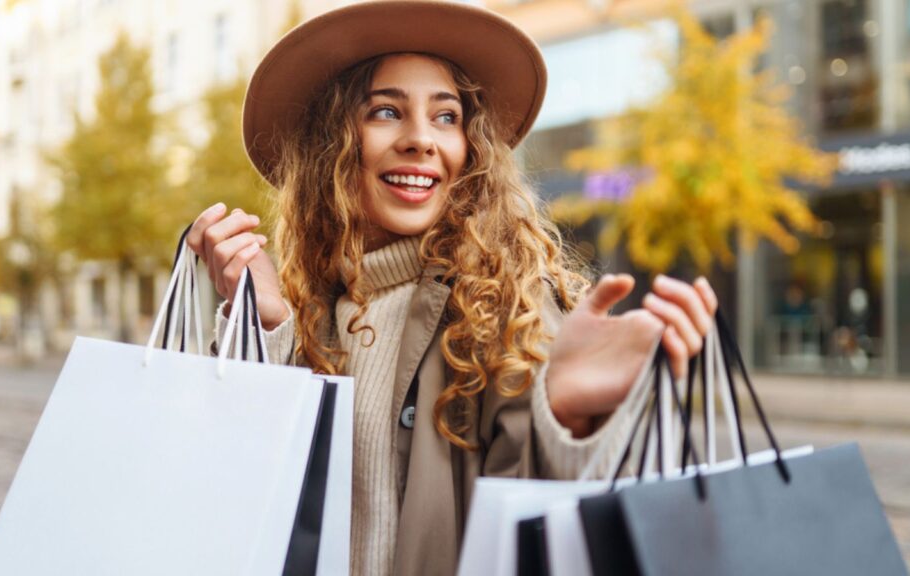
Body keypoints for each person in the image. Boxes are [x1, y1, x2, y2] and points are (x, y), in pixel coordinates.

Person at [185, 2, 717, 574]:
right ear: (330, 147)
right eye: (385, 111)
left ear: (472, 150)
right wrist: (263, 325)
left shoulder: (506, 303)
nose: (421, 139)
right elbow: (238, 498)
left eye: (446, 117)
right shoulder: (305, 311)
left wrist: (567, 416)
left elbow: (546, 528)